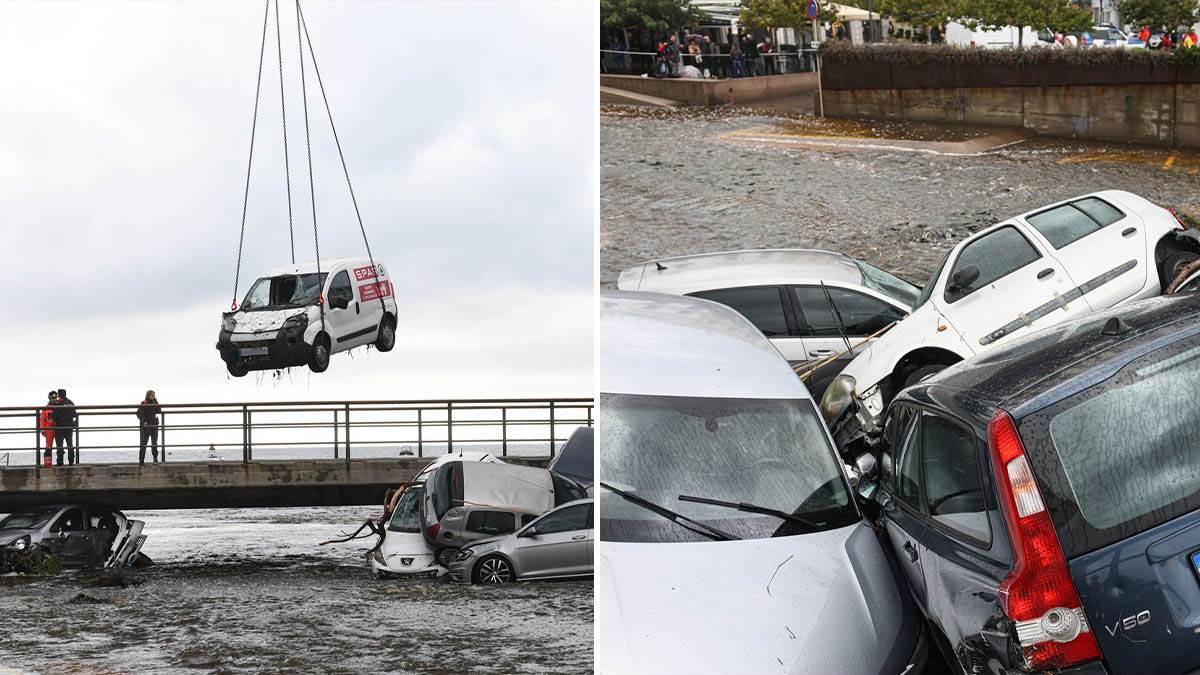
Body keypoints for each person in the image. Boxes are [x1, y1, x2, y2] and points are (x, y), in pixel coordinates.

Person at [51, 388, 78, 465]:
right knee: (70, 444)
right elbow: (74, 414)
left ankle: (60, 462)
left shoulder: (58, 403)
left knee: (60, 445)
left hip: (60, 427)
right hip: (69, 426)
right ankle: (71, 461)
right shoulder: (71, 402)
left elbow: (53, 416)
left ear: (59, 395)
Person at [137, 390, 162, 464]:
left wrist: (156, 402)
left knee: (154, 443)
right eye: (152, 395)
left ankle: (155, 459)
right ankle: (141, 460)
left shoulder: (155, 403)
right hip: (146, 426)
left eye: (154, 395)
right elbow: (139, 413)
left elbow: (159, 411)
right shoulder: (144, 403)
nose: (154, 397)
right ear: (148, 396)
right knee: (143, 443)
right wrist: (144, 421)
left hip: (154, 425)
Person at [40, 391, 57, 467]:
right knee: (48, 447)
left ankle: (60, 462)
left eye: (55, 398)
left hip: (58, 428)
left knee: (60, 446)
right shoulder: (45, 409)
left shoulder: (59, 407)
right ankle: (47, 463)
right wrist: (42, 429)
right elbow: (42, 419)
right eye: (52, 398)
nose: (54, 399)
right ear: (49, 398)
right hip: (49, 430)